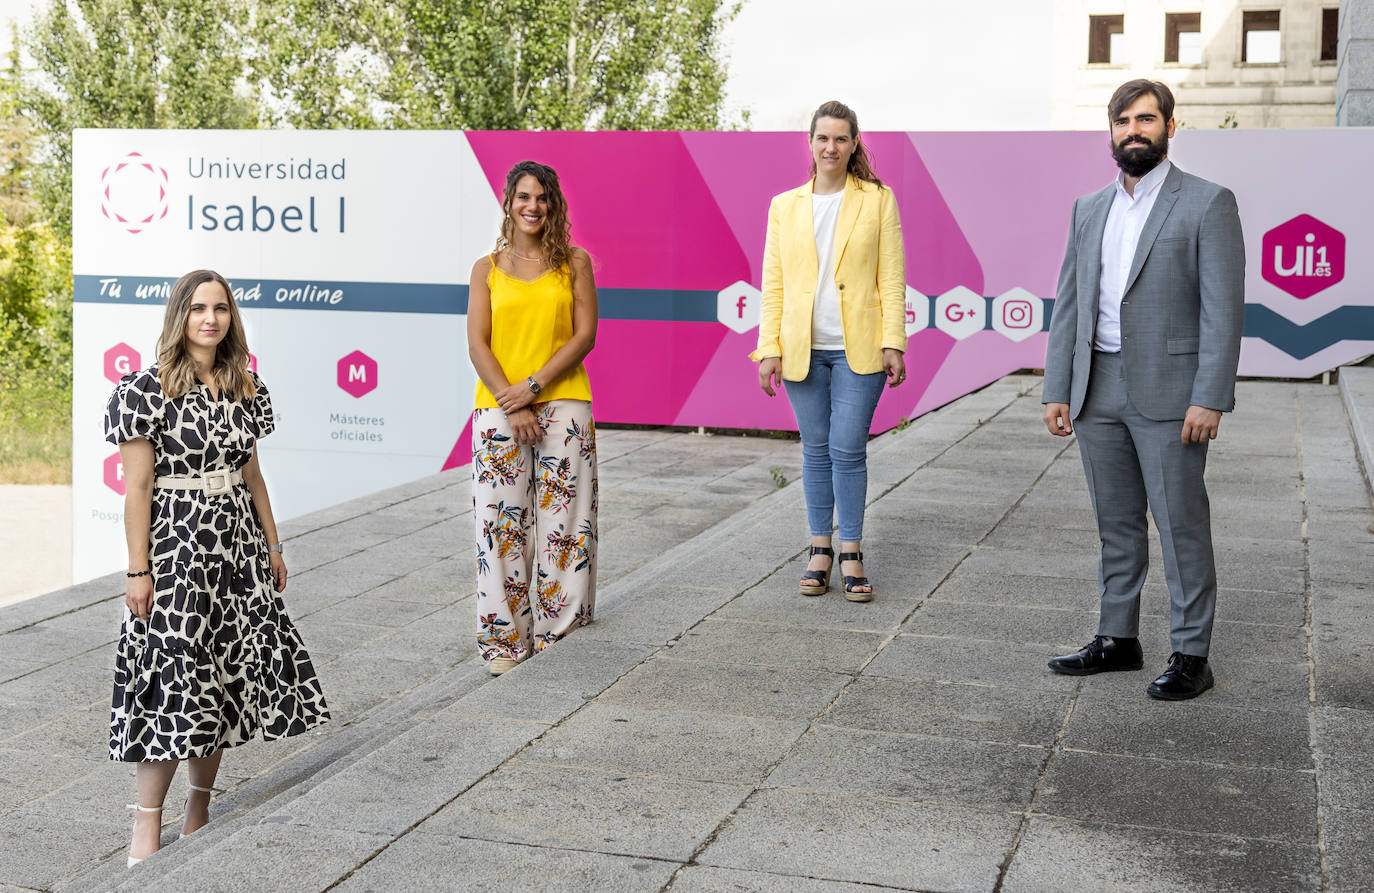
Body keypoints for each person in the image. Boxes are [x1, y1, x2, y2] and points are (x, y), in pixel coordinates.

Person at [105, 269, 329, 867]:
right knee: (173, 682)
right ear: (179, 315)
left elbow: (253, 476)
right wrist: (137, 571)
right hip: (177, 551)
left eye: (221, 309)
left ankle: (198, 812)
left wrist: (275, 546)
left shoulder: (246, 387)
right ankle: (145, 825)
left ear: (232, 318)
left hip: (238, 550)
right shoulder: (143, 391)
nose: (210, 319)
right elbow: (138, 489)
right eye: (199, 308)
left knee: (225, 679)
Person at [1042, 79, 1245, 700]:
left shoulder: (1208, 203)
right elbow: (1070, 302)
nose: (1135, 130)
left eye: (1147, 119)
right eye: (1124, 121)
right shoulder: (1088, 207)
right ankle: (1117, 638)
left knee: (1181, 523)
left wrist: (1210, 395)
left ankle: (1191, 653)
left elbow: (1223, 309)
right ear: (1111, 132)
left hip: (1172, 392)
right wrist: (1058, 386)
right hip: (1095, 386)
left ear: (1170, 127)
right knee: (1116, 521)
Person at [751, 100, 907, 602]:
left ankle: (852, 550)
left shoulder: (878, 200)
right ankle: (819, 548)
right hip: (801, 347)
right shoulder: (785, 205)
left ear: (854, 143)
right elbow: (772, 283)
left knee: (847, 448)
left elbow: (893, 276)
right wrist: (768, 347)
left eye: (841, 138)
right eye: (823, 138)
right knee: (815, 451)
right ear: (811, 142)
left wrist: (893, 342)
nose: (831, 147)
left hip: (858, 347)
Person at [468, 160, 598, 676]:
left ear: (554, 204)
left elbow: (584, 336)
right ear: (509, 202)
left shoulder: (576, 262)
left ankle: (559, 633)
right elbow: (477, 343)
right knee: (500, 527)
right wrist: (513, 399)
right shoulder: (486, 267)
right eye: (523, 196)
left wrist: (535, 388)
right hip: (498, 407)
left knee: (565, 524)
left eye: (542, 197)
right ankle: (504, 640)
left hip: (563, 403)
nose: (533, 206)